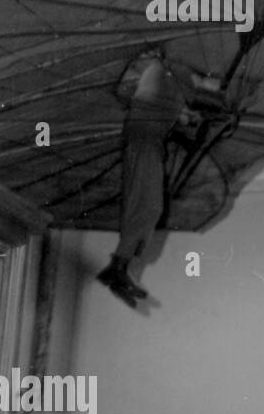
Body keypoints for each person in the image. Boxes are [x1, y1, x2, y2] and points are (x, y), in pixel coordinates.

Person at [96, 48, 227, 307]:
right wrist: (216, 107)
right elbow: (209, 102)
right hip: (144, 142)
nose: (214, 84)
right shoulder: (178, 73)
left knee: (147, 205)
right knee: (148, 206)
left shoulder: (167, 80)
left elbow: (178, 115)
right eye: (212, 81)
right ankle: (117, 268)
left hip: (145, 141)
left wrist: (192, 120)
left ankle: (118, 268)